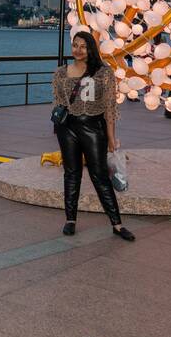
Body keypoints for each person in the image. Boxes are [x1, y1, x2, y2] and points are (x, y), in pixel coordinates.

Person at [52, 31, 134, 241]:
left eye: (83, 46)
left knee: (100, 175)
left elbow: (109, 107)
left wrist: (111, 138)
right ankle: (70, 220)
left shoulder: (103, 72)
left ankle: (117, 224)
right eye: (75, 45)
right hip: (68, 128)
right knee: (71, 174)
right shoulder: (61, 72)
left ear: (91, 48)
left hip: (93, 127)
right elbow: (59, 101)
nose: (78, 50)